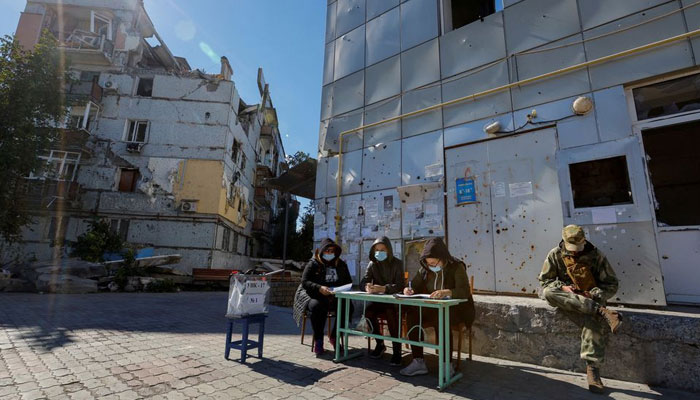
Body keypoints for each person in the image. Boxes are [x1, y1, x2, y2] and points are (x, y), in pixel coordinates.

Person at [539, 225, 622, 394]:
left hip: (590, 298)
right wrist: (563, 288)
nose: (575, 252)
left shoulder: (596, 256)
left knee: (593, 321)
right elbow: (545, 282)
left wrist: (596, 293)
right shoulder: (555, 255)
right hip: (569, 299)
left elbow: (612, 285)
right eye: (572, 248)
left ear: (584, 240)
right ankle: (601, 311)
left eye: (578, 247)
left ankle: (593, 370)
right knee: (548, 293)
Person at [399, 237, 475, 376]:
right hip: (432, 307)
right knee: (412, 315)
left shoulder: (456, 267)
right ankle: (418, 361)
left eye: (434, 263)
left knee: (442, 319)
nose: (431, 266)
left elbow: (464, 291)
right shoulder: (425, 270)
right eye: (429, 264)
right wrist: (408, 290)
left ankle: (447, 364)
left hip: (456, 308)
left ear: (443, 258)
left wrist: (447, 292)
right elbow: (414, 285)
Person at [294, 238, 353, 357]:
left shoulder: (341, 264)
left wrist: (339, 290)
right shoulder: (313, 263)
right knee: (317, 307)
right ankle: (318, 340)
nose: (330, 254)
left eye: (332, 251)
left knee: (348, 307)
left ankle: (334, 336)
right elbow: (304, 281)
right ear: (321, 251)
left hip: (335, 296)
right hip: (316, 296)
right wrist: (319, 288)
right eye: (327, 251)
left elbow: (348, 281)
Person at [359, 236, 405, 366]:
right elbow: (363, 281)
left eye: (383, 249)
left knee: (391, 313)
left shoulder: (397, 263)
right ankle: (379, 344)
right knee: (368, 312)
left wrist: (384, 288)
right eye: (377, 250)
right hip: (378, 301)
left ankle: (397, 350)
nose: (379, 252)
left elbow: (400, 285)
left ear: (389, 250)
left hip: (394, 302)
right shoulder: (372, 264)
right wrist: (367, 287)